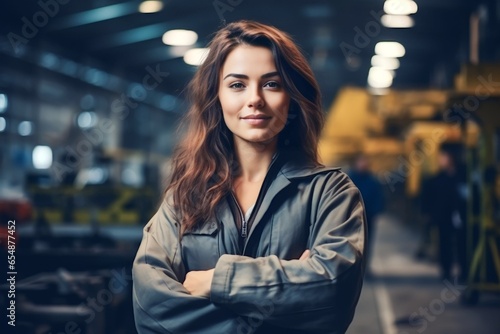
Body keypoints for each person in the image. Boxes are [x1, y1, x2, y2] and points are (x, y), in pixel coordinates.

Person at [132, 20, 366, 334]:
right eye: (237, 85)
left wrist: (218, 281)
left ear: (292, 98)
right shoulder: (186, 195)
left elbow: (333, 293)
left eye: (271, 84)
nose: (254, 98)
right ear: (217, 97)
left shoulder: (330, 193)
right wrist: (289, 294)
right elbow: (151, 306)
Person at [421, 146, 467, 282]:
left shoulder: (462, 177)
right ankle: (446, 272)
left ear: (451, 158)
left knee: (462, 244)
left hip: (461, 217)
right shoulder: (437, 179)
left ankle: (464, 272)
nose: (440, 160)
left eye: (443, 157)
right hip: (443, 218)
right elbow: (428, 198)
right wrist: (428, 214)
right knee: (444, 244)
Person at [347, 154, 384, 277]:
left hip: (368, 217)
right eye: (361, 161)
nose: (363, 164)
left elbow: (379, 197)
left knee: (366, 243)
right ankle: (353, 268)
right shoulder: (349, 179)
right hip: (352, 218)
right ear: (356, 163)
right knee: (351, 243)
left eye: (365, 161)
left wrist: (375, 211)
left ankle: (364, 268)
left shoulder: (372, 181)